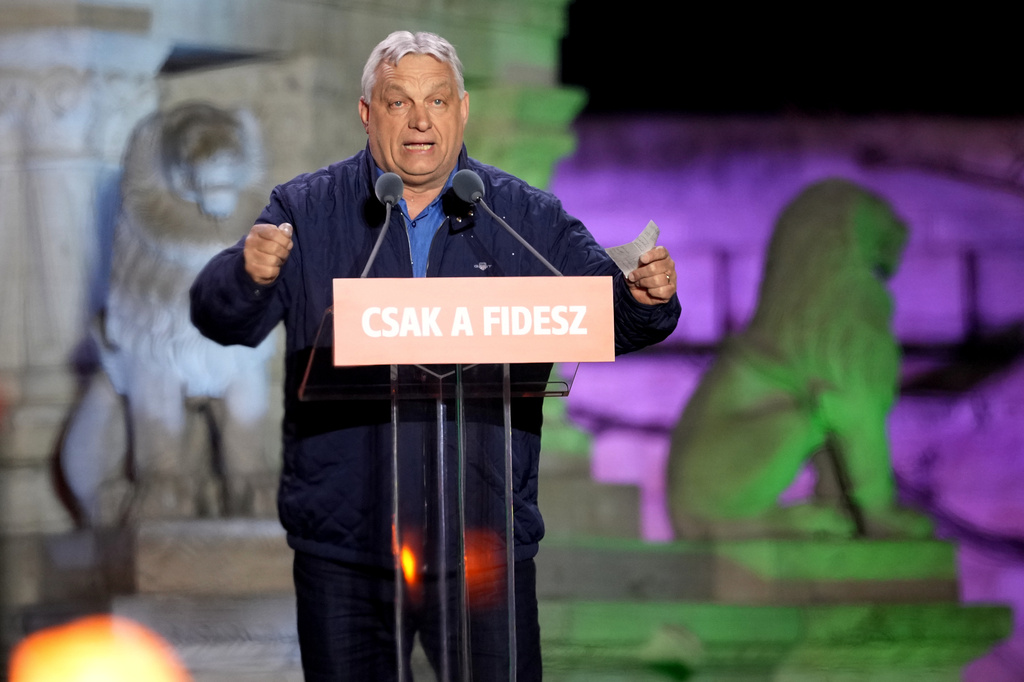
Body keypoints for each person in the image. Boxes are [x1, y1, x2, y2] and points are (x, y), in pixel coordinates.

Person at [190, 30, 680, 681]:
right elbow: (220, 316)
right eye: (399, 102)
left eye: (438, 101)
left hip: (483, 550)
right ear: (367, 113)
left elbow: (607, 310)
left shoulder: (523, 216)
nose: (421, 120)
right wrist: (247, 275)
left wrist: (644, 299)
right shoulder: (305, 210)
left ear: (463, 110)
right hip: (346, 551)